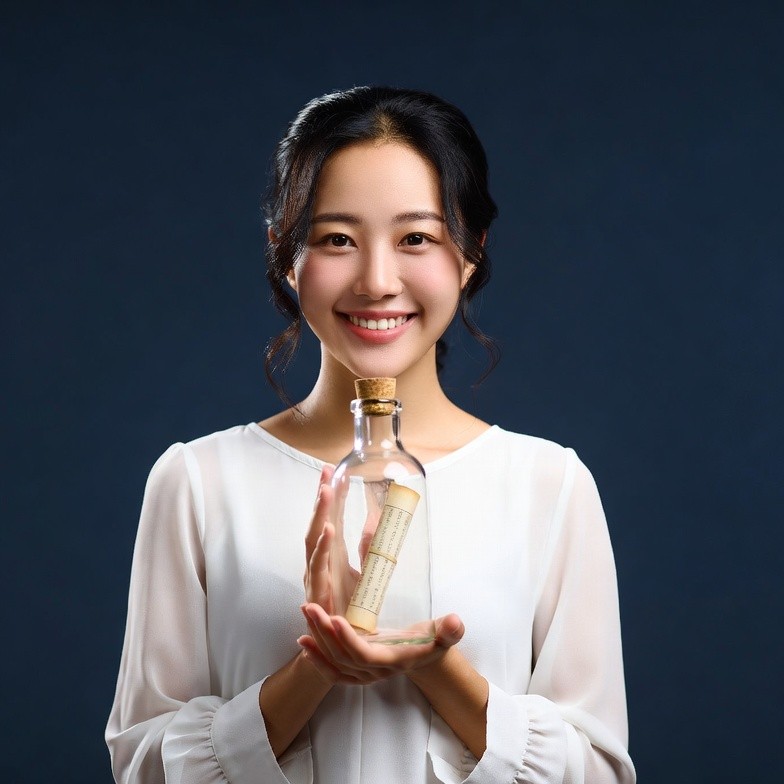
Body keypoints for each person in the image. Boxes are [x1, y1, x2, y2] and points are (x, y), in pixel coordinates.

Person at [106, 86, 636, 784]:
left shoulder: (548, 485)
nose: (377, 281)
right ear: (284, 253)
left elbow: (596, 770)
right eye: (336, 240)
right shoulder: (199, 481)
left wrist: (436, 667)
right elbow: (142, 766)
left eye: (416, 237)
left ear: (471, 250)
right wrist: (314, 670)